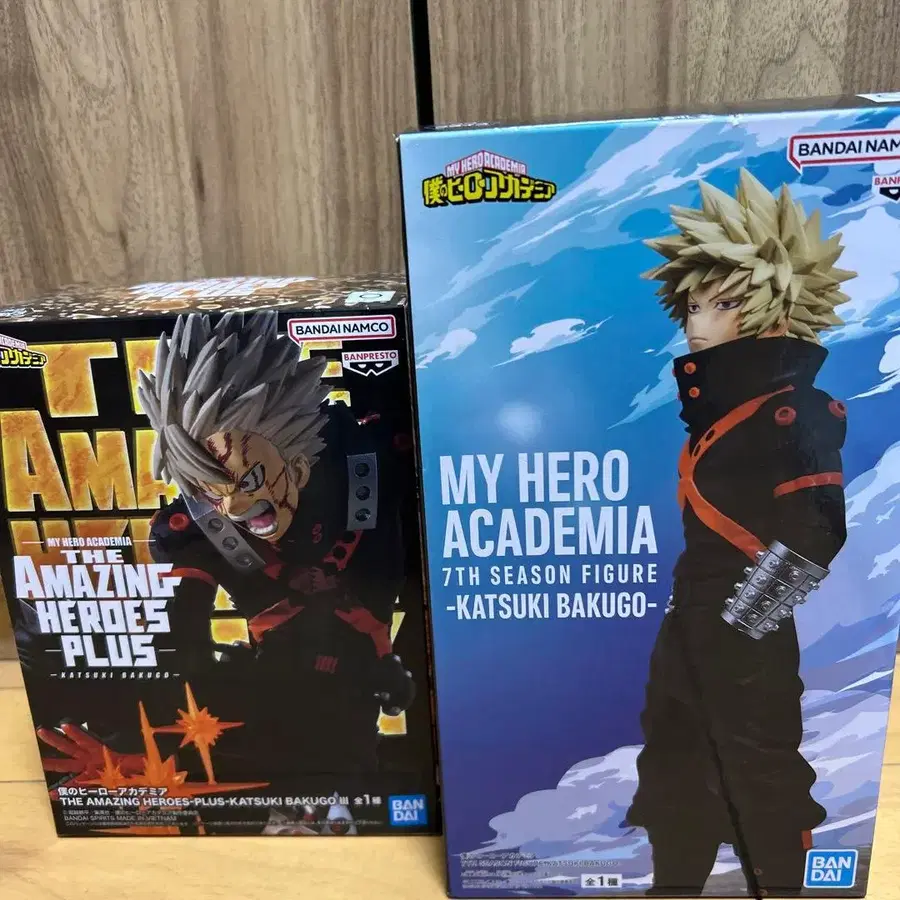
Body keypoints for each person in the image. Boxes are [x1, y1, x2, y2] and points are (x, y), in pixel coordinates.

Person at [625, 169, 854, 896]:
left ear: (770, 315)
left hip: (745, 627)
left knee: (761, 774)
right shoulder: (715, 417)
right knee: (672, 767)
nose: (699, 321)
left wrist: (744, 621)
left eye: (722, 303)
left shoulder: (797, 412)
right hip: (687, 621)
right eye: (693, 304)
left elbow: (818, 528)